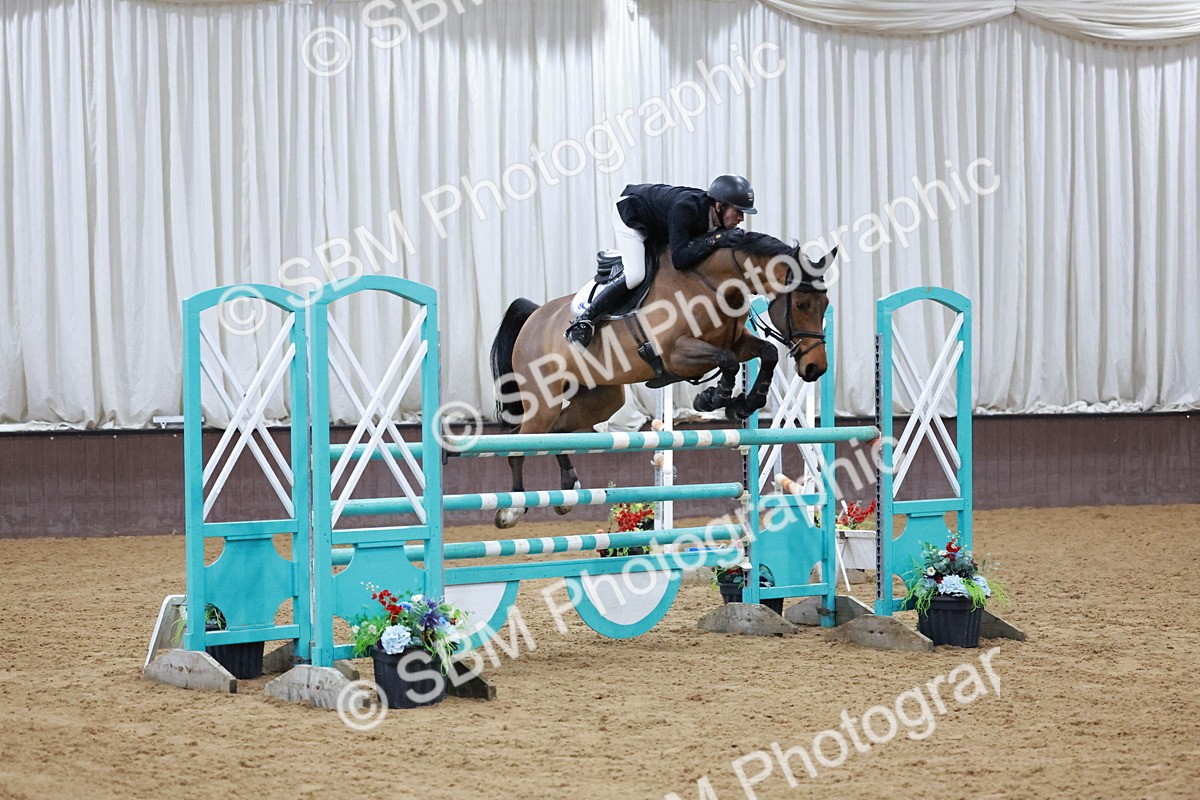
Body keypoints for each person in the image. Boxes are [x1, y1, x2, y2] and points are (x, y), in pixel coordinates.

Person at [565, 175, 756, 348]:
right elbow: (680, 260)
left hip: (659, 223)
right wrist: (716, 240)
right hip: (632, 215)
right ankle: (584, 321)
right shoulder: (686, 208)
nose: (741, 218)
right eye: (738, 211)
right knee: (636, 275)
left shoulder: (715, 219)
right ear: (719, 206)